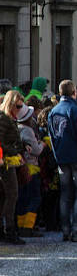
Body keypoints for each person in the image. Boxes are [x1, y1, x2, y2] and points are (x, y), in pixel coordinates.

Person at [47, 80, 77, 242]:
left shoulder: (53, 112)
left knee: (65, 194)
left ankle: (65, 230)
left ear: (60, 93)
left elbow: (52, 137)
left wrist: (57, 154)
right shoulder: (76, 110)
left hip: (61, 158)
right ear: (74, 92)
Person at [0, 90, 26, 244]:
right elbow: (1, 141)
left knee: (5, 196)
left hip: (8, 160)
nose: (20, 109)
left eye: (21, 106)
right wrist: (15, 151)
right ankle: (9, 230)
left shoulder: (9, 117)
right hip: (6, 162)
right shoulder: (3, 118)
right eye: (18, 106)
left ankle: (5, 230)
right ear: (10, 103)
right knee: (12, 194)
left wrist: (23, 146)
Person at [15, 104, 44, 238]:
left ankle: (21, 225)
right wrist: (43, 144)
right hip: (31, 167)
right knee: (34, 197)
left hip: (20, 167)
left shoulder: (17, 128)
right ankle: (27, 226)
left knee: (23, 197)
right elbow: (36, 150)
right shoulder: (27, 130)